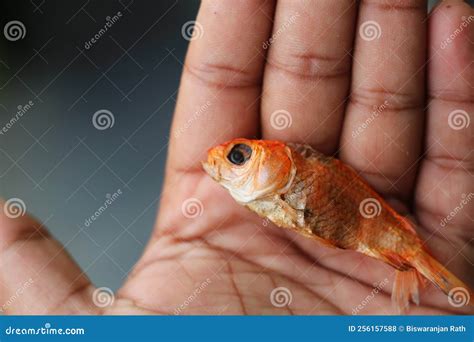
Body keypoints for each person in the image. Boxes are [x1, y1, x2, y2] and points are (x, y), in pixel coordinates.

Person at [1, 0, 472, 314]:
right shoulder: (269, 197)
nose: (227, 163)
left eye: (239, 156)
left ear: (282, 161)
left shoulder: (295, 178)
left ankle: (420, 263)